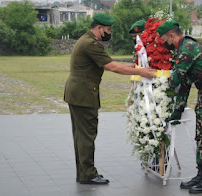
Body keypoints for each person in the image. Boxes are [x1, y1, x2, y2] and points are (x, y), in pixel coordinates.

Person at [64, 13, 155, 185]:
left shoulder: (86, 40)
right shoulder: (91, 44)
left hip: (77, 93)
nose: (109, 32)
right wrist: (140, 72)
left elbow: (109, 62)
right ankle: (88, 175)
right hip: (83, 95)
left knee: (81, 136)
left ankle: (83, 173)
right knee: (86, 136)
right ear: (99, 28)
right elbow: (112, 66)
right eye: (107, 29)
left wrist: (133, 66)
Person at [157, 21, 202, 194]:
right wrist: (179, 108)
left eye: (163, 40)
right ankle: (201, 174)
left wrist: (159, 83)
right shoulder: (184, 48)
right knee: (201, 134)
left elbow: (175, 79)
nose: (163, 44)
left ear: (171, 36)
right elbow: (184, 84)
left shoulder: (187, 48)